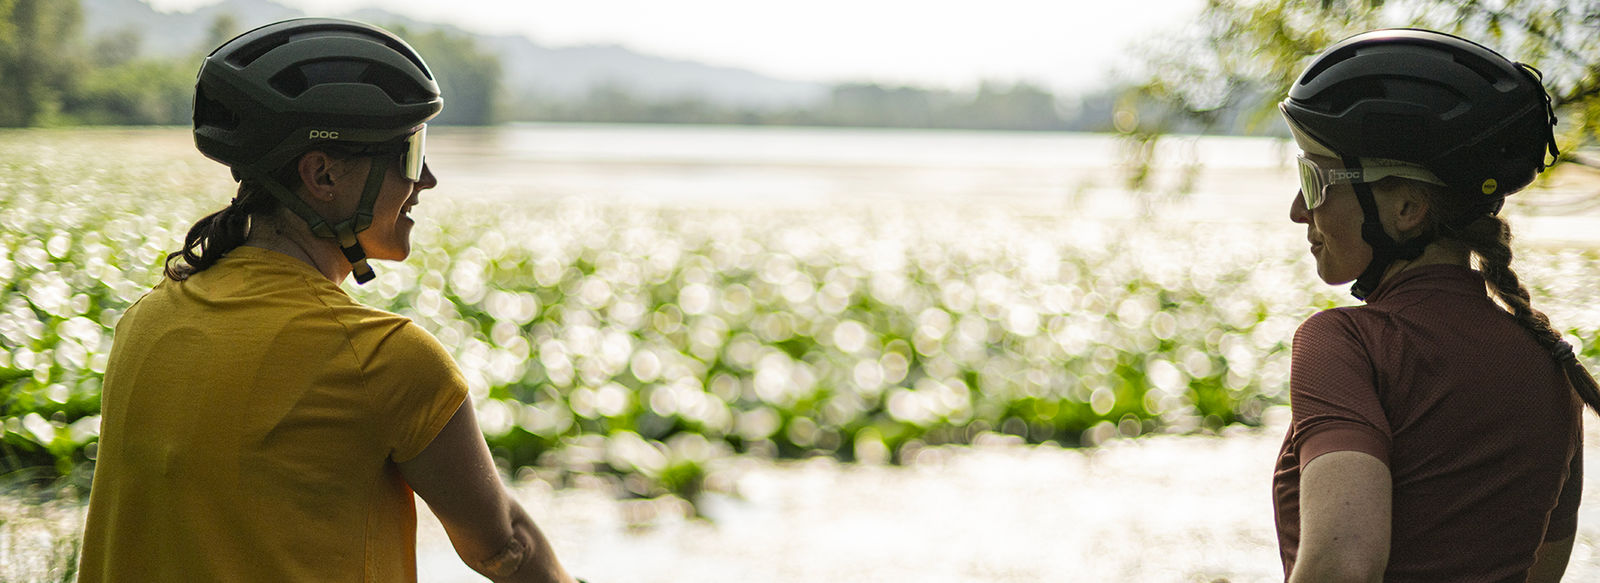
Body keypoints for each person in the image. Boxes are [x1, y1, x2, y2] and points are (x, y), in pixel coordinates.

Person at [77, 18, 579, 582]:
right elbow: (506, 545)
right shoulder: (384, 359)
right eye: (411, 155)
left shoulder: (146, 319)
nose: (427, 181)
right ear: (321, 174)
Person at [1274, 28, 1598, 582]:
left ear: (1406, 208)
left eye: (1316, 178)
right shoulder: (1552, 366)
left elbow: (1342, 567)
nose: (1299, 210)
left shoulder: (1346, 342)